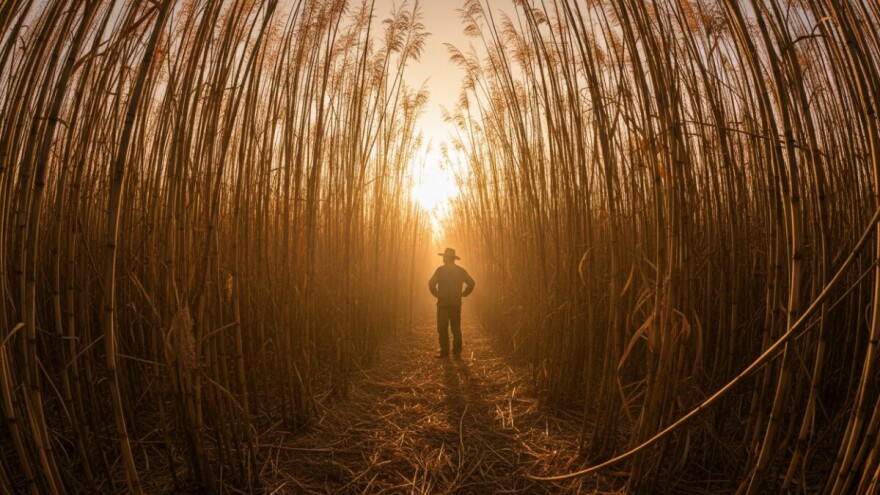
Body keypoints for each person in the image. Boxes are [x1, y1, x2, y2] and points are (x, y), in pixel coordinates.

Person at [428, 248, 476, 359]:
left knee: (442, 327)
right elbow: (472, 283)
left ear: (446, 258)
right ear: (453, 259)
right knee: (456, 328)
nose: (443, 259)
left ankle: (445, 352)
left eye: (444, 257)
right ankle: (457, 352)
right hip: (455, 303)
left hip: (443, 304)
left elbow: (431, 284)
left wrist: (437, 295)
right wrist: (464, 294)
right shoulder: (460, 271)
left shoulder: (440, 270)